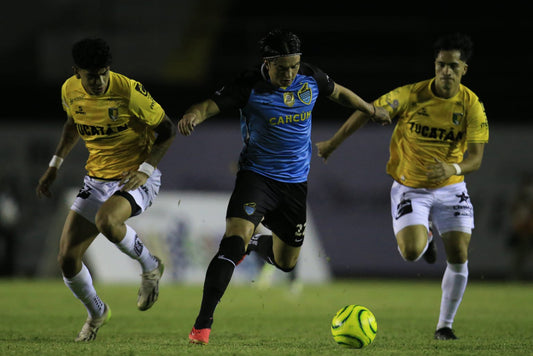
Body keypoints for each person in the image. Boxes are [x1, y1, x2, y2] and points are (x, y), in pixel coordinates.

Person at [178, 28, 390, 345]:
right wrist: (193, 116)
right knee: (232, 242)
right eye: (282, 67)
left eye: (294, 65)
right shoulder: (248, 84)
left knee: (286, 264)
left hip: (294, 186)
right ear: (267, 62)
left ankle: (253, 246)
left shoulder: (310, 77)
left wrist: (370, 109)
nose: (290, 73)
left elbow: (340, 93)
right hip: (256, 178)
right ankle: (202, 326)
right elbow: (208, 105)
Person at [316, 33, 488, 340]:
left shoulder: (472, 106)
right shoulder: (412, 95)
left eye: (452, 66)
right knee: (410, 252)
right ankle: (427, 237)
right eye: (440, 64)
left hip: (451, 187)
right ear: (435, 65)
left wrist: (453, 168)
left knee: (460, 254)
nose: (445, 71)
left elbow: (475, 158)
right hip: (411, 188)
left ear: (464, 69)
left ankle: (444, 326)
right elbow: (368, 110)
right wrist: (333, 143)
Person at [36, 38, 176, 342]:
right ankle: (97, 311)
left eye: (103, 73)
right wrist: (54, 166)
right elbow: (73, 125)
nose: (99, 81)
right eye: (91, 75)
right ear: (77, 72)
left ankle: (150, 267)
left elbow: (167, 129)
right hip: (97, 180)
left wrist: (145, 170)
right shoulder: (69, 90)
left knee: (107, 221)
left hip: (136, 176)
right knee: (67, 259)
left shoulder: (128, 91)